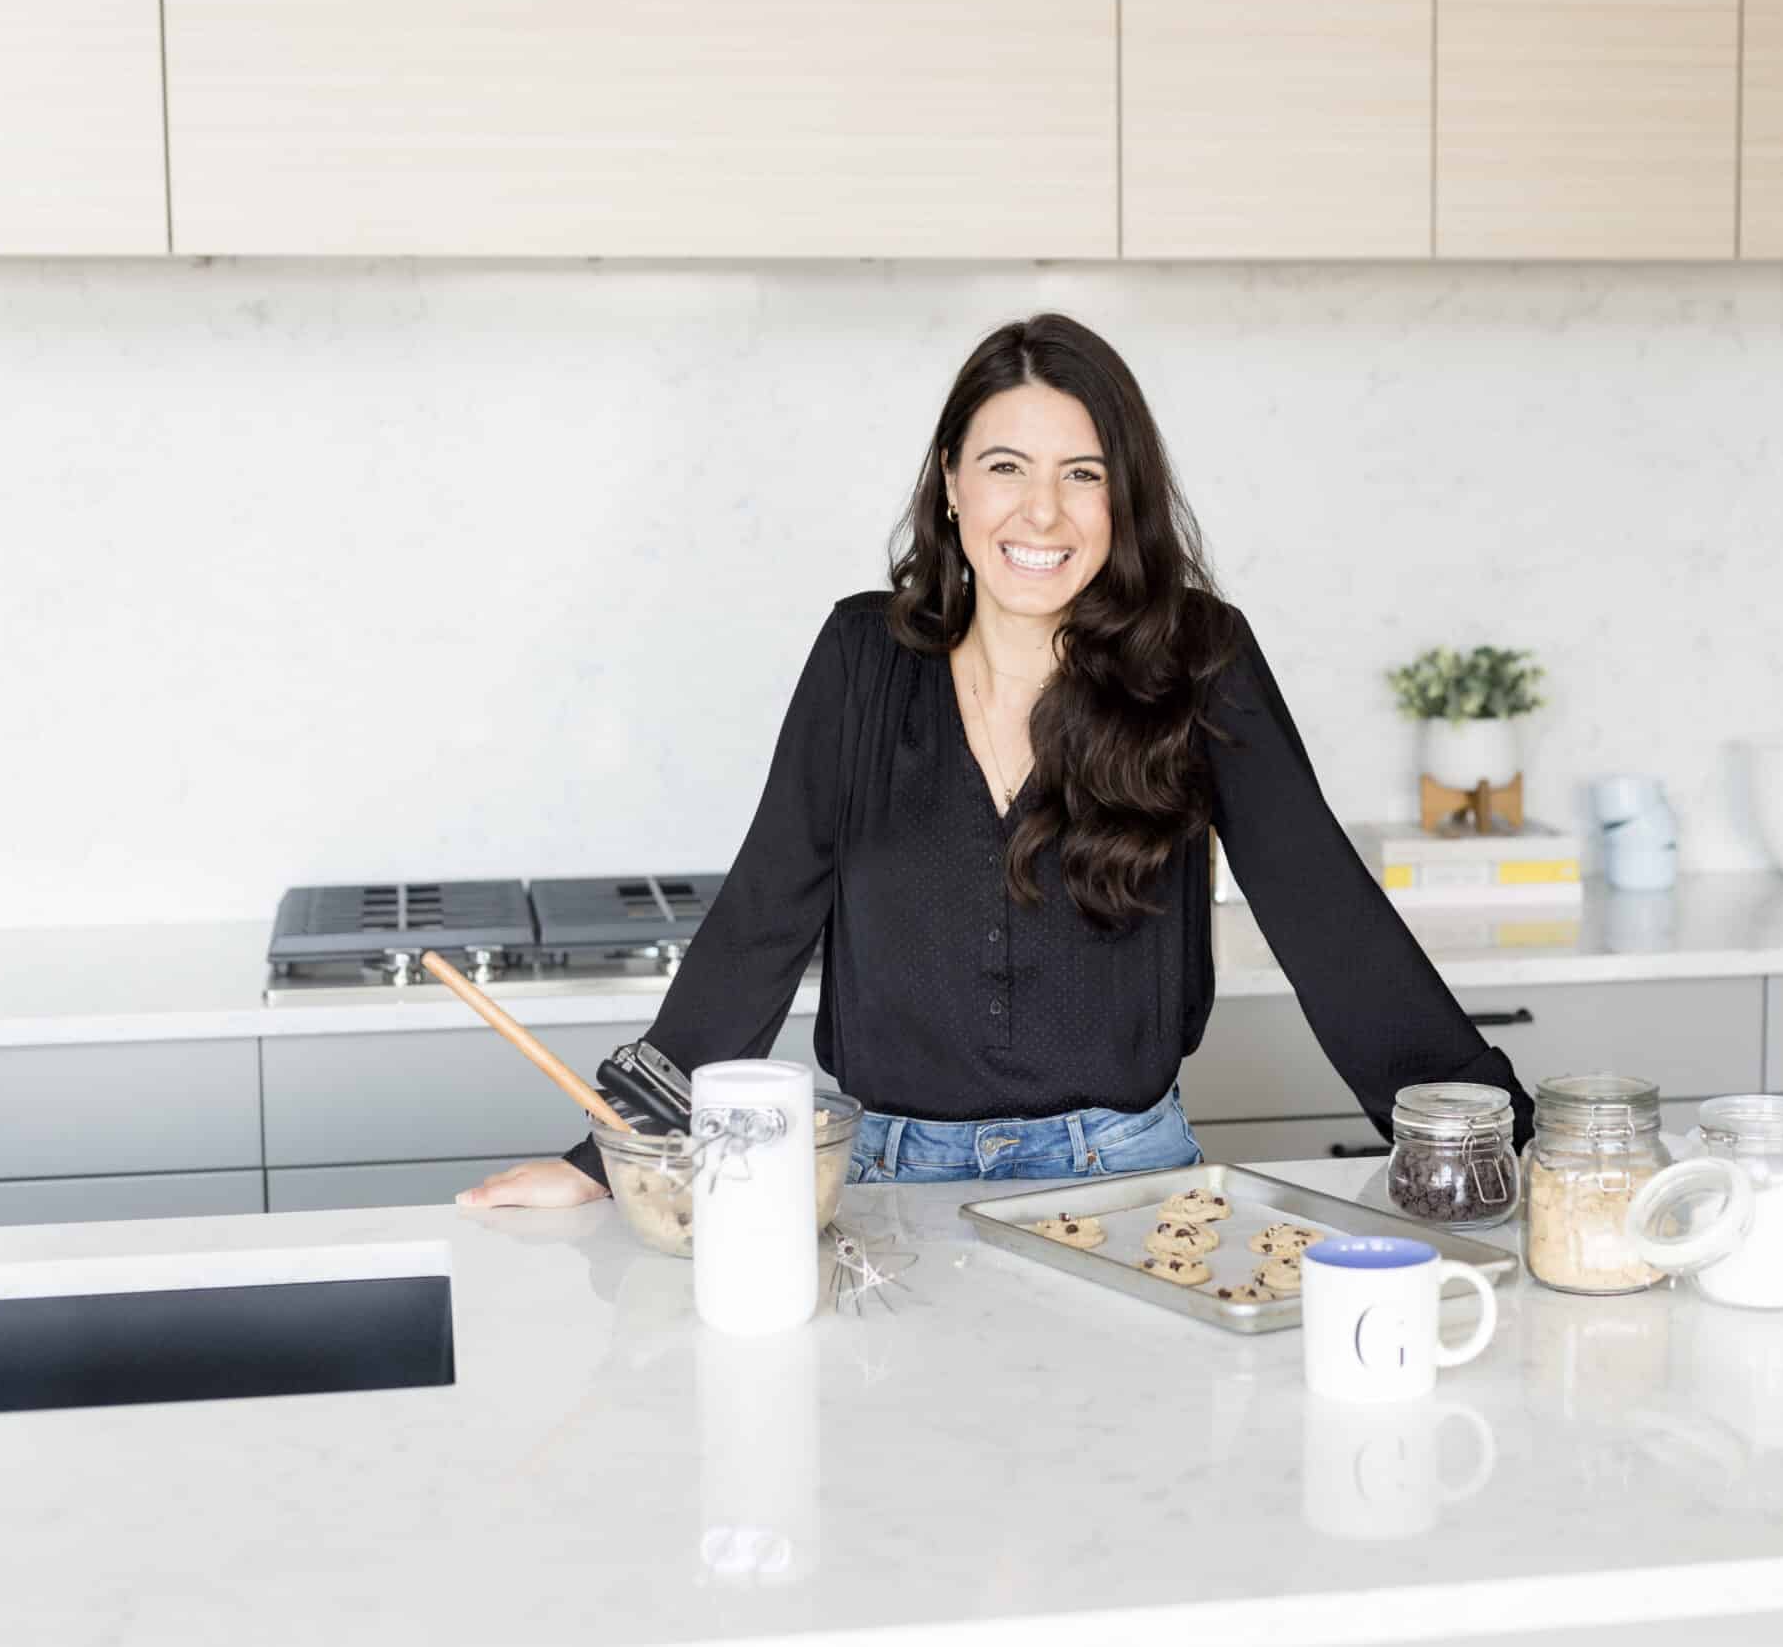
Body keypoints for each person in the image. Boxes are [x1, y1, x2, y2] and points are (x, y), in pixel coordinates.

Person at [458, 313, 1531, 1209]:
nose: (1042, 512)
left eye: (1082, 474)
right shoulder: (861, 658)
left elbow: (1321, 910)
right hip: (884, 1180)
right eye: (1006, 467)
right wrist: (610, 1154)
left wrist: (1489, 1142)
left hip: (1131, 1184)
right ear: (952, 482)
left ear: (1123, 500)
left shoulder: (1196, 658)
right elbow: (762, 916)